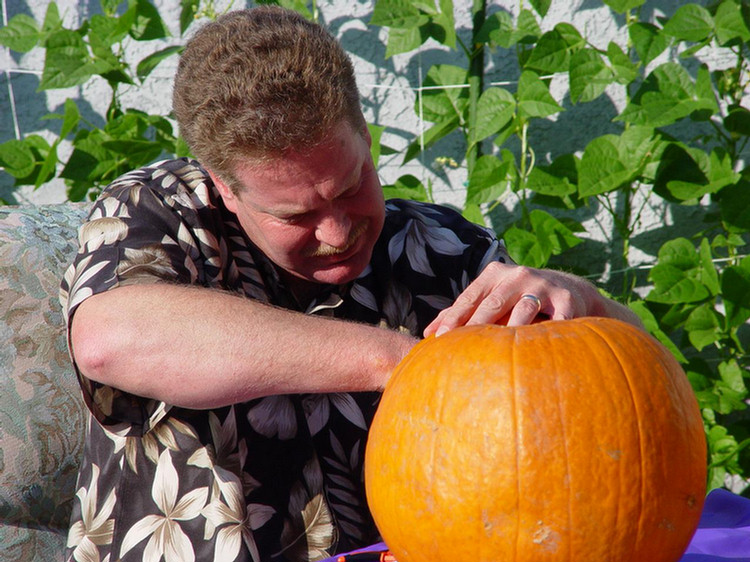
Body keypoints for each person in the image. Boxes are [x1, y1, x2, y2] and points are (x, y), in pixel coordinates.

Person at [60, 6, 642, 562]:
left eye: (350, 186)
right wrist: (402, 363)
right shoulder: (162, 208)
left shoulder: (441, 249)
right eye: (295, 216)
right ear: (224, 187)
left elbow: (625, 391)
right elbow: (112, 338)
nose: (337, 231)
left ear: (365, 135)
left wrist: (585, 301)